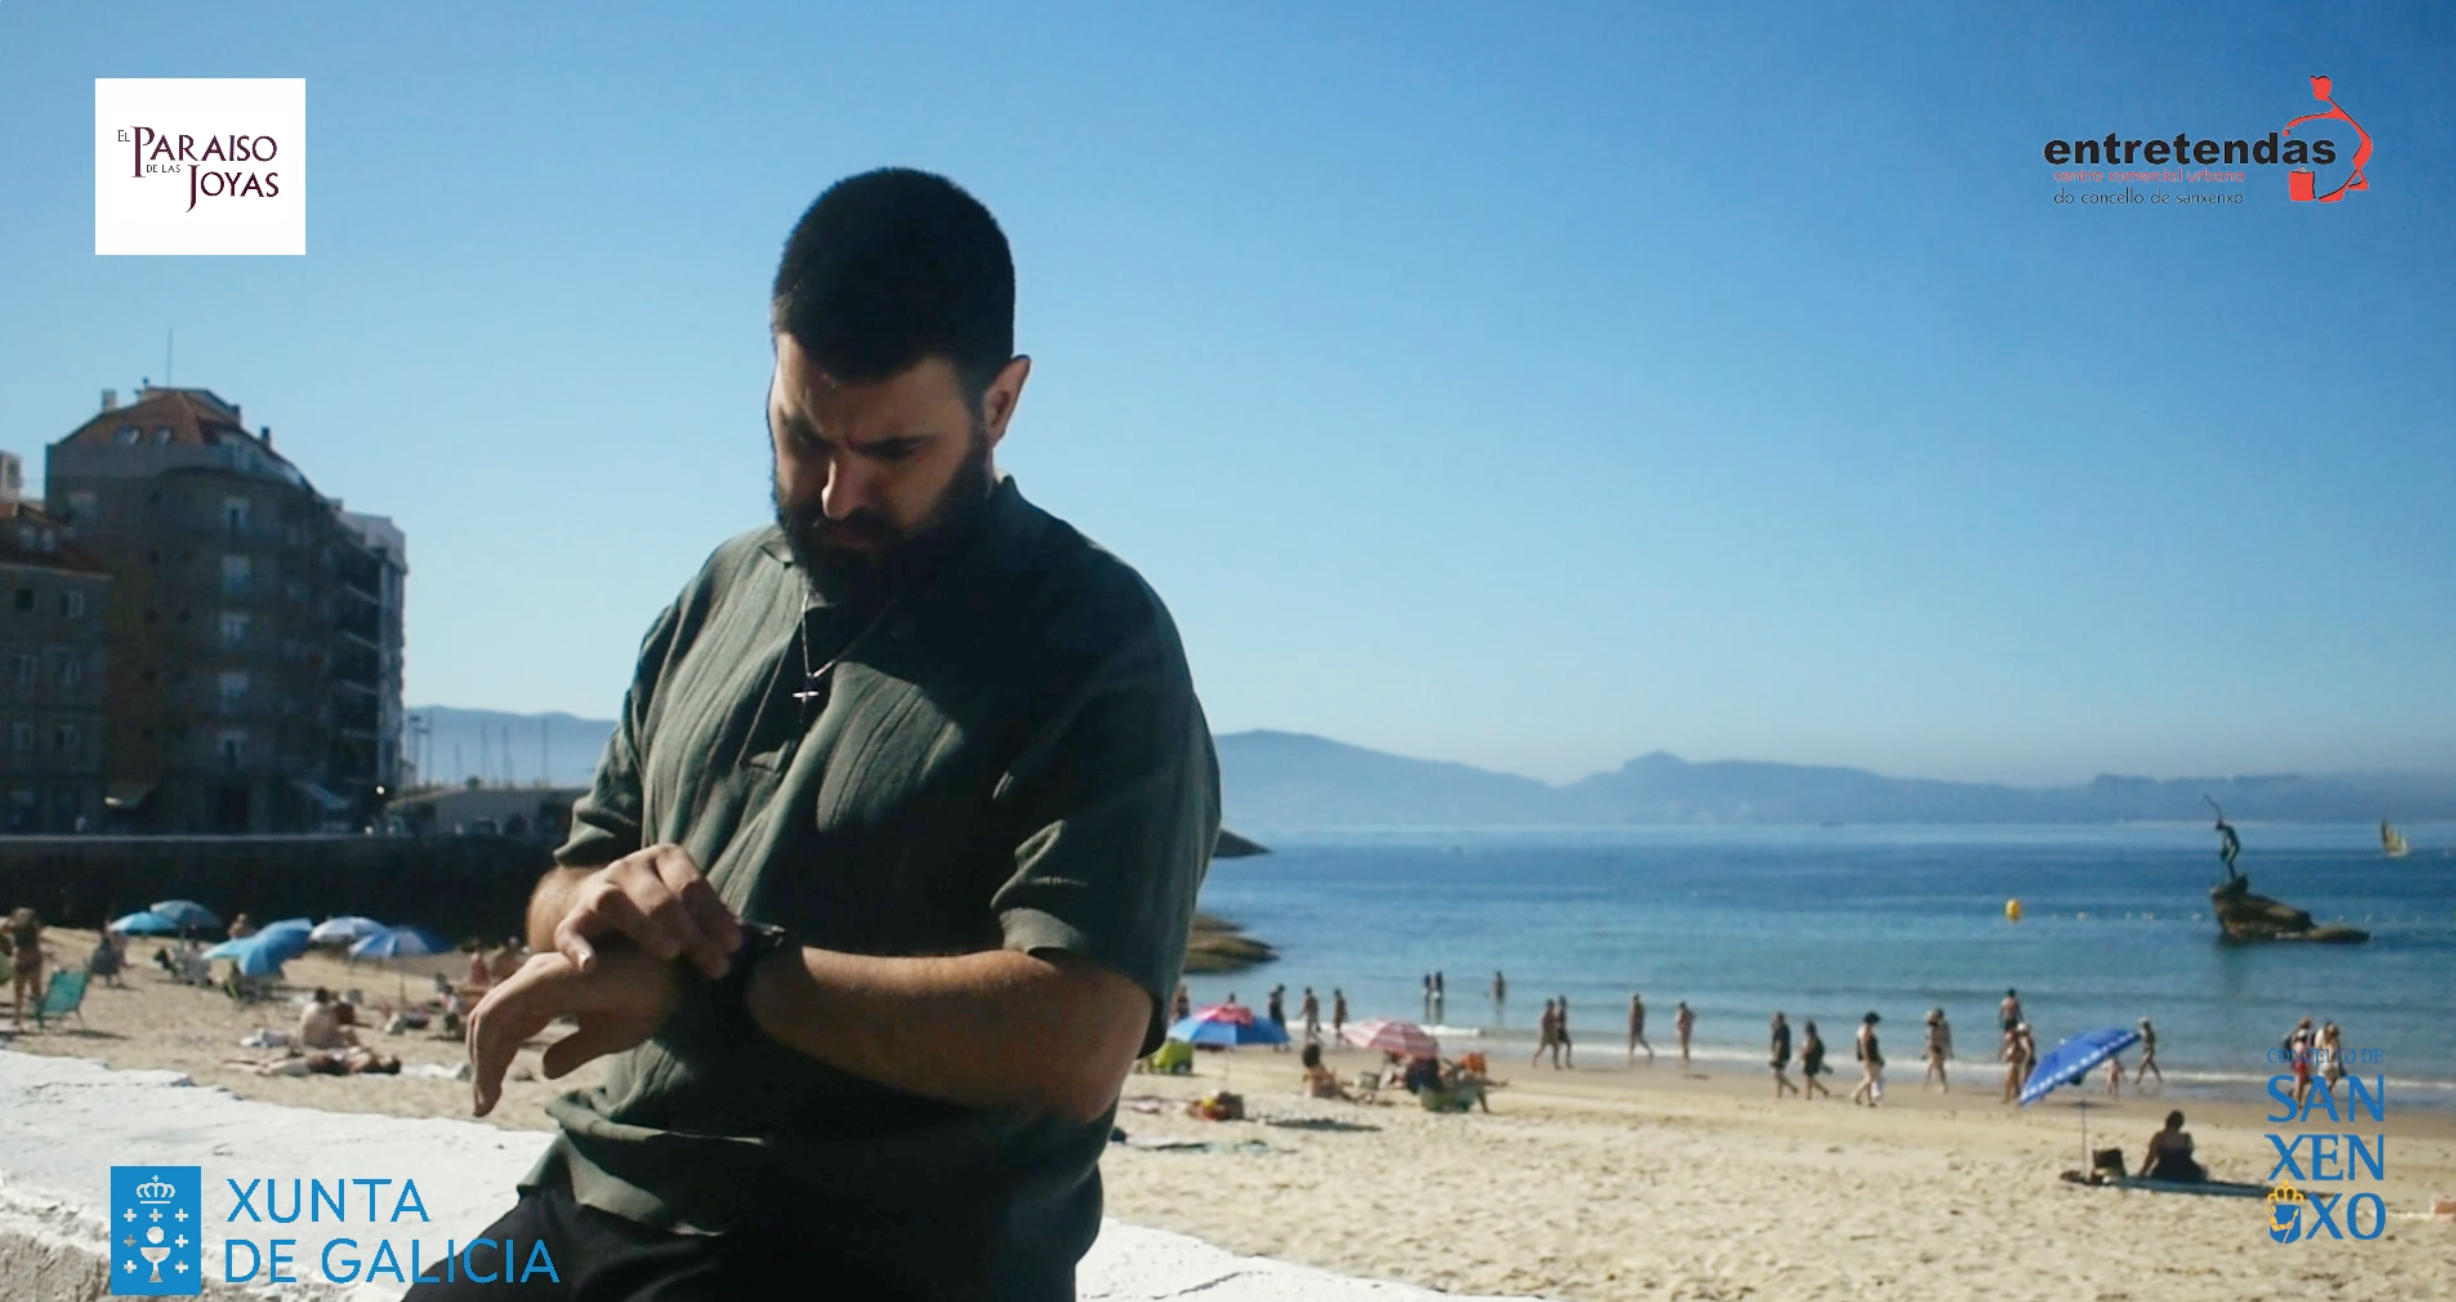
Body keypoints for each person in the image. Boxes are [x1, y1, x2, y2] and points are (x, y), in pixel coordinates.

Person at [425, 170, 1218, 1302]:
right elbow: (565, 879)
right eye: (802, 434)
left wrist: (721, 983)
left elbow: (1078, 1038)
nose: (837, 494)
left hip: (869, 1250)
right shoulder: (720, 590)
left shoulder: (1094, 639)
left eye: (894, 451)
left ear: (999, 405)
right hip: (590, 1196)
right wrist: (599, 914)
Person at [2142, 1110, 2205, 1182]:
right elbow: (2189, 1154)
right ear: (2181, 1124)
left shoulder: (2159, 1136)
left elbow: (2151, 1157)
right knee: (2203, 1169)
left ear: (2167, 1121)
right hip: (2187, 1172)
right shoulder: (2187, 1137)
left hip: (2164, 1171)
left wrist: (2142, 1172)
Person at [8, 907, 44, 1025]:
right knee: (28, 991)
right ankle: (22, 1017)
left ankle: (21, 1017)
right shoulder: (26, 929)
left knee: (27, 990)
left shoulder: (25, 929)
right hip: (28, 961)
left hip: (27, 962)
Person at [1851, 1012, 1884, 1107]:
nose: (1876, 1025)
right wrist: (1867, 1059)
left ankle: (1869, 1100)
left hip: (1869, 1056)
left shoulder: (1864, 1028)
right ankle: (1856, 1093)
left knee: (1868, 1078)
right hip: (1867, 1057)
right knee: (1870, 1078)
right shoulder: (1866, 1029)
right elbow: (1863, 1046)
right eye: (1875, 1022)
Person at [2002, 1022, 2034, 1104]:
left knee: (2015, 1080)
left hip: (2019, 1062)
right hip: (2019, 1062)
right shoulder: (2023, 1039)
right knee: (2017, 1081)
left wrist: (2025, 1062)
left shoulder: (2023, 1039)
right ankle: (2011, 1096)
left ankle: (2009, 1097)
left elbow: (2028, 1051)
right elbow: (2028, 1051)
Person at [1922, 1009, 1952, 1092]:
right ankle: (1928, 1083)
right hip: (1939, 1048)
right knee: (1934, 1066)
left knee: (1937, 1066)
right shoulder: (1943, 1026)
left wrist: (1926, 1051)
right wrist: (1950, 1049)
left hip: (1936, 1048)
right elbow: (1948, 1038)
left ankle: (1942, 1085)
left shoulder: (1935, 1027)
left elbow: (1930, 1040)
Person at [1769, 1012, 1797, 1098]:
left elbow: (1779, 1043)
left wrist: (1776, 1056)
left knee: (1775, 1075)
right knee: (1780, 1074)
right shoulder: (1783, 1028)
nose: (1773, 1020)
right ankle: (1779, 1094)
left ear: (1779, 1019)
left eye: (1775, 1019)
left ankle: (1792, 1088)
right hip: (1784, 1054)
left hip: (1781, 1054)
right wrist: (1773, 1029)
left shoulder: (1782, 1029)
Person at [1800, 1020, 1830, 1100]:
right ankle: (1824, 1091)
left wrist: (1802, 1056)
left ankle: (1808, 1097)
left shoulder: (1811, 1037)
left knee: (1808, 1080)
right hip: (1812, 1060)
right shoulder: (1814, 1037)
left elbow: (1809, 1049)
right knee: (1810, 1079)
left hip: (1810, 1060)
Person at [2133, 1017, 2162, 1090]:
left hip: (2150, 1050)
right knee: (2152, 1065)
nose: (2141, 1026)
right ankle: (2159, 1078)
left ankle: (2138, 1079)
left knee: (2143, 1064)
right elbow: (2138, 1037)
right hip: (2145, 1050)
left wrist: (2149, 1044)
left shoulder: (2151, 1032)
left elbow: (2154, 1041)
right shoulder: (2142, 1031)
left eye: (2142, 1025)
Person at [1532, 997, 1558, 1067]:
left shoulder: (1552, 1013)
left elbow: (1555, 1021)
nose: (1553, 1007)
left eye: (1553, 1005)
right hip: (1546, 1034)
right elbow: (1544, 1023)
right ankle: (1534, 1058)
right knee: (1542, 1049)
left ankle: (1555, 1064)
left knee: (1556, 1048)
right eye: (1552, 1005)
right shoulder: (1546, 1013)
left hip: (1551, 1033)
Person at [1627, 991, 1653, 1063]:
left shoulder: (1636, 1005)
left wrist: (1635, 1024)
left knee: (1638, 1039)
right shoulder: (1637, 1005)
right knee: (1634, 1039)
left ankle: (1649, 1051)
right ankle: (1631, 1052)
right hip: (1636, 1024)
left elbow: (1635, 1016)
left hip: (1635, 1025)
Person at [1673, 1000, 1695, 1069]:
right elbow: (1694, 1017)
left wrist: (1679, 1025)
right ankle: (1686, 1057)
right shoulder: (1690, 1012)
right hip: (1688, 1029)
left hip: (1683, 1029)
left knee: (1683, 1044)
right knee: (1686, 1044)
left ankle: (1685, 1058)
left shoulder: (1682, 1012)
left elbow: (1679, 1021)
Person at [1554, 995, 1574, 1068]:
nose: (1566, 1004)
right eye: (1565, 1002)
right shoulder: (1561, 1010)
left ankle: (1560, 1063)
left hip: (1561, 1030)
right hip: (1561, 1031)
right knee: (1568, 1045)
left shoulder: (1560, 1010)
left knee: (1560, 1047)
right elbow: (1556, 1020)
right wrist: (1560, 1027)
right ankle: (1566, 1063)